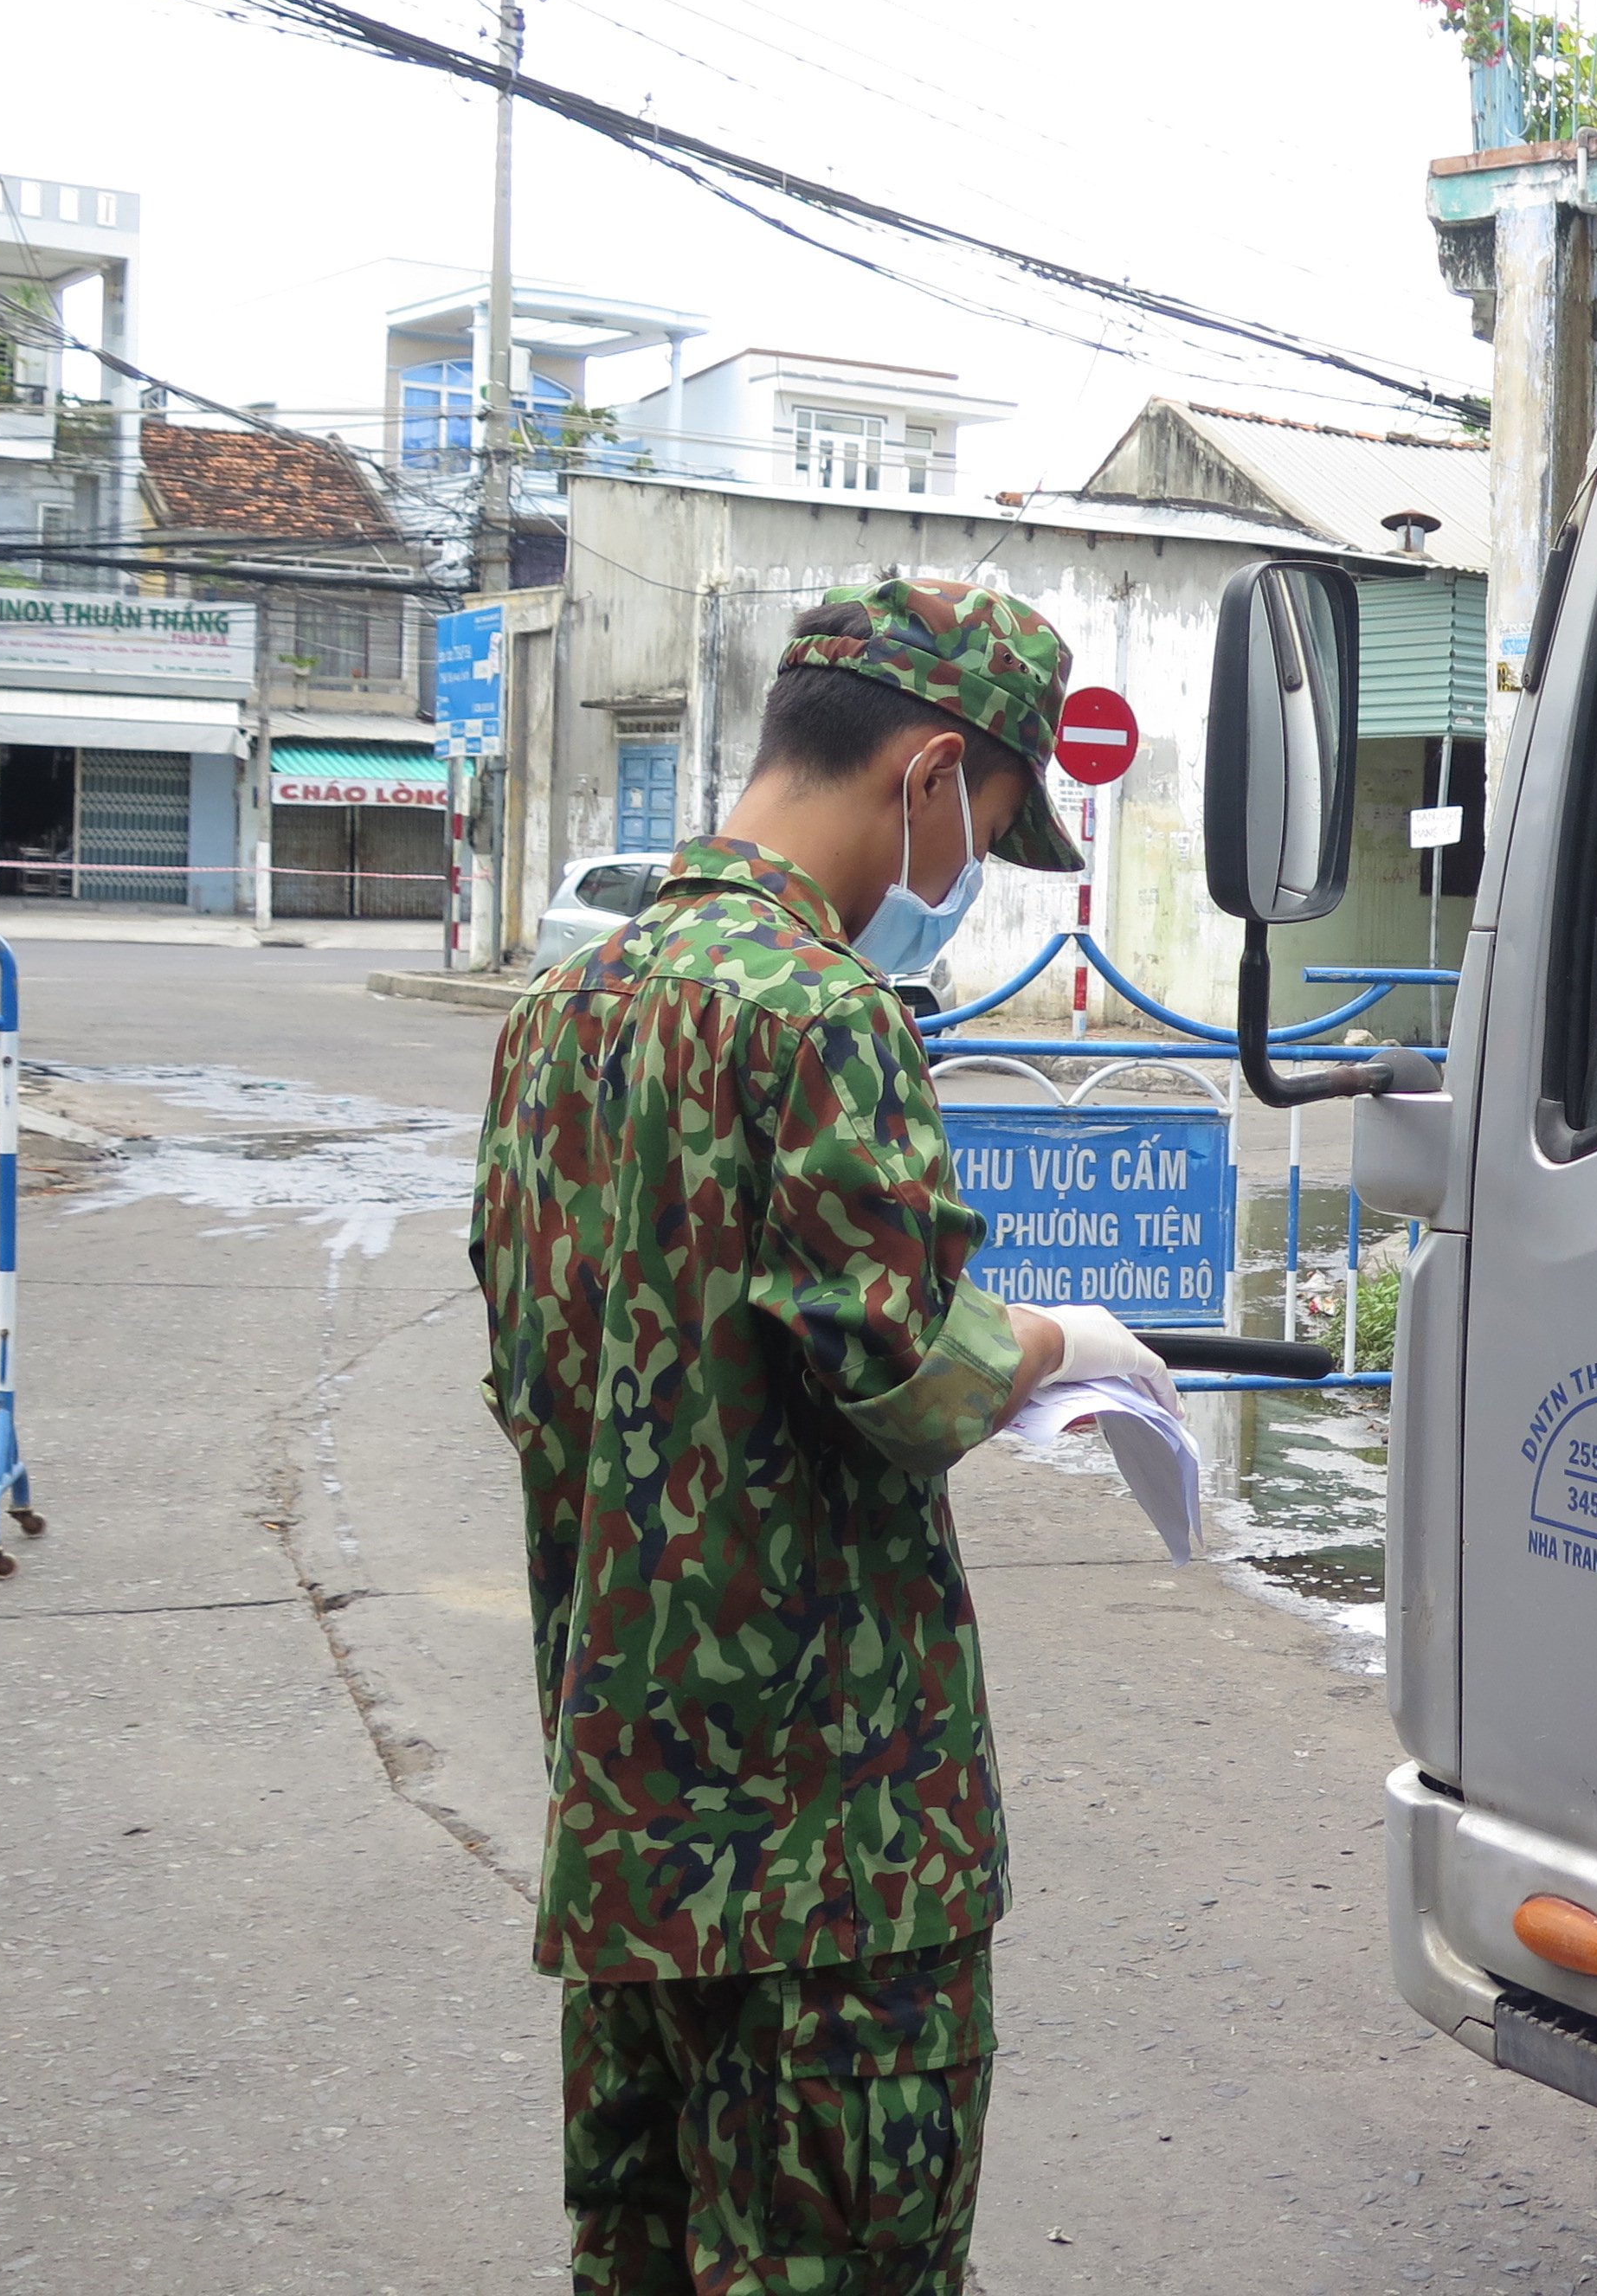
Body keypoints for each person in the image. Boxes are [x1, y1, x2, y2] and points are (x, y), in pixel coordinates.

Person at [471, 576, 1177, 2294]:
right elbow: (916, 1378)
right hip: (838, 1866)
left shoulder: (557, 1021)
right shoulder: (820, 1017)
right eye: (984, 828)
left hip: (629, 1826)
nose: (956, 885)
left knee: (640, 2260)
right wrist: (1071, 1343)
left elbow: (537, 1377)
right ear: (928, 773)